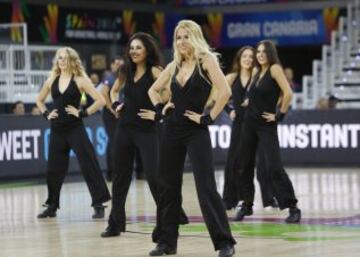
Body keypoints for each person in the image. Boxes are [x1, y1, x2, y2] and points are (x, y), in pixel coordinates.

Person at [148, 20, 236, 257]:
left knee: (206, 187)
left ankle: (225, 242)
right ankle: (166, 242)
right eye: (178, 37)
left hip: (196, 131)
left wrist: (208, 118)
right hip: (172, 129)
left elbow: (225, 91)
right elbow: (153, 90)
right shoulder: (174, 64)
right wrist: (161, 109)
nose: (182, 41)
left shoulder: (206, 61)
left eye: (186, 36)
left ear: (195, 37)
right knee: (167, 187)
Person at [100, 32, 188, 238]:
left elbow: (171, 96)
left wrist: (157, 113)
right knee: (120, 177)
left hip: (148, 130)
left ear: (147, 49)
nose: (134, 51)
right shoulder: (125, 70)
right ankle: (115, 224)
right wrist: (115, 105)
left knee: (154, 177)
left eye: (138, 47)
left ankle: (170, 216)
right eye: (131, 48)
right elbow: (112, 92)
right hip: (124, 128)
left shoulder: (156, 71)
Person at [35, 47, 111, 219]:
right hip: (57, 130)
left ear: (72, 60)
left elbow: (100, 100)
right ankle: (52, 205)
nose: (61, 61)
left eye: (64, 58)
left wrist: (83, 113)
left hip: (75, 128)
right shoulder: (52, 79)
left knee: (88, 164)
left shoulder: (80, 80)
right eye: (59, 58)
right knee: (54, 169)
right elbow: (39, 100)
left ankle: (98, 204)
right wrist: (47, 114)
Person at [234, 40, 301, 223]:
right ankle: (246, 204)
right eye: (259, 52)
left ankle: (292, 207)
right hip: (249, 123)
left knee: (273, 167)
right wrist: (249, 101)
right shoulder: (256, 72)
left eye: (264, 52)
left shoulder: (274, 69)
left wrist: (279, 115)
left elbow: (288, 93)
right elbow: (253, 93)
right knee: (244, 165)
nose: (260, 54)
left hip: (265, 125)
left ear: (270, 53)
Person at [222, 46, 276, 212]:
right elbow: (219, 95)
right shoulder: (231, 77)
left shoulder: (258, 76)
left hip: (256, 122)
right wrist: (229, 110)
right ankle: (230, 200)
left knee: (262, 163)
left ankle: (269, 199)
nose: (247, 59)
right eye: (244, 56)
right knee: (234, 162)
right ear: (239, 59)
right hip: (239, 124)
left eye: (251, 56)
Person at [98, 56, 124, 181]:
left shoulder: (122, 77)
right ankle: (112, 173)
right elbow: (103, 93)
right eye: (117, 63)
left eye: (121, 64)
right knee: (113, 141)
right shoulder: (110, 77)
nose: (119, 66)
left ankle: (114, 172)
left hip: (119, 112)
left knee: (115, 141)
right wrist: (111, 108)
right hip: (110, 113)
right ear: (112, 65)